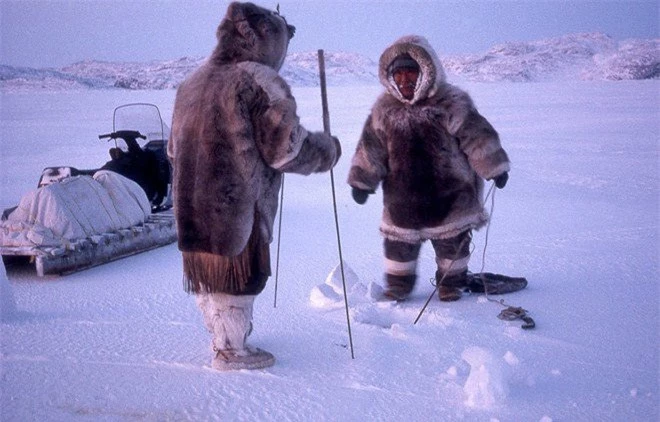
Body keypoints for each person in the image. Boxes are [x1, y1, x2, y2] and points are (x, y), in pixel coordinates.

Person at [168, 2, 341, 371]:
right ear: (270, 41)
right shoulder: (258, 80)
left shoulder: (191, 83)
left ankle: (222, 338)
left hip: (191, 207)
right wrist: (325, 151)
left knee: (208, 278)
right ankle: (231, 350)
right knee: (239, 279)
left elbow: (172, 150)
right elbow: (285, 149)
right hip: (237, 210)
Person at [347, 35, 510, 302]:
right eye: (398, 77)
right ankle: (398, 287)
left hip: (449, 196)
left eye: (411, 75)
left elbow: (477, 136)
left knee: (453, 245)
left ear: (426, 71)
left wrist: (495, 167)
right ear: (389, 77)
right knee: (398, 247)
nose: (404, 83)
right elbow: (370, 148)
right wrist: (362, 181)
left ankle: (451, 284)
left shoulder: (450, 103)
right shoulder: (384, 110)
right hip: (402, 198)